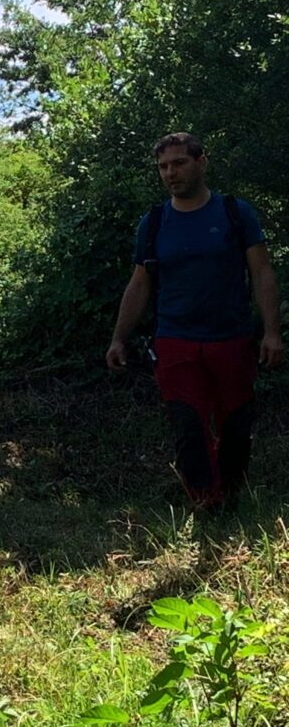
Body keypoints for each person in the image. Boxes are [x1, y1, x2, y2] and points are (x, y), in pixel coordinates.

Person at [106, 132, 282, 510]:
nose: (171, 173)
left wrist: (271, 332)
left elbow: (262, 272)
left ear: (201, 162)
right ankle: (205, 501)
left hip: (231, 337)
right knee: (187, 424)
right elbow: (140, 283)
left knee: (235, 425)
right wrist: (119, 338)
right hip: (175, 339)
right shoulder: (153, 223)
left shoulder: (235, 213)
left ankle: (232, 494)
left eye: (179, 163)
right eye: (163, 167)